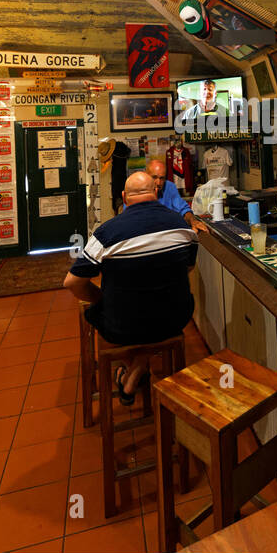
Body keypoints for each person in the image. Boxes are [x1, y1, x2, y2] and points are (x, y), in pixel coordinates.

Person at [63, 171, 197, 402]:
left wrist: (101, 298)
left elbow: (72, 282)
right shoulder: (183, 227)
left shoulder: (107, 233)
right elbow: (187, 268)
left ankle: (132, 373)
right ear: (156, 193)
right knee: (155, 310)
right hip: (175, 317)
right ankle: (136, 371)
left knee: (101, 313)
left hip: (123, 326)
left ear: (124, 197)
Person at [143, 158, 206, 232]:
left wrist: (193, 221)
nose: (158, 183)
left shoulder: (169, 187)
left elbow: (183, 209)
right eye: (154, 177)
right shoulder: (137, 189)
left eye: (162, 178)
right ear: (146, 175)